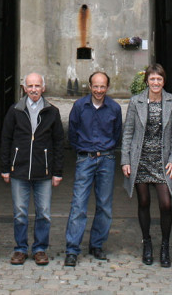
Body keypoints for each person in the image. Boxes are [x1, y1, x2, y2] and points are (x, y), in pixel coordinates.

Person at [1, 72, 64, 266]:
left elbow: (59, 143)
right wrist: (5, 167)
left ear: (43, 88)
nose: (34, 89)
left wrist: (57, 171)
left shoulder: (52, 112)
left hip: (43, 171)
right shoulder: (15, 110)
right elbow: (6, 139)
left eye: (37, 86)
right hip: (19, 169)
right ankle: (20, 248)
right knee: (20, 212)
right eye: (30, 86)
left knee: (43, 212)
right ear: (24, 88)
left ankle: (40, 248)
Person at [121, 63, 172, 267]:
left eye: (159, 79)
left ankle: (165, 245)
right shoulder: (136, 101)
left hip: (162, 161)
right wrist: (125, 161)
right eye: (152, 79)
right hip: (141, 159)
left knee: (166, 203)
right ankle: (147, 242)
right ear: (147, 80)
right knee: (143, 202)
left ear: (164, 81)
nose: (156, 83)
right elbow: (128, 132)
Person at [62, 71, 122, 267]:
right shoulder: (79, 107)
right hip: (85, 158)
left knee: (104, 205)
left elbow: (117, 134)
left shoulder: (114, 108)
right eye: (95, 86)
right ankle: (72, 249)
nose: (98, 90)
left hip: (106, 158)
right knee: (79, 204)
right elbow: (72, 133)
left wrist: (107, 148)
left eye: (102, 86)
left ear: (107, 87)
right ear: (89, 86)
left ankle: (97, 245)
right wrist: (81, 149)